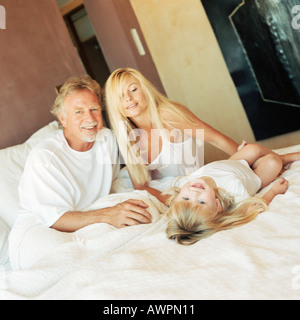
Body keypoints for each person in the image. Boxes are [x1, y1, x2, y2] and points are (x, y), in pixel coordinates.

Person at [16, 75, 152, 232]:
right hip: (41, 230)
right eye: (79, 112)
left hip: (91, 218)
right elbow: (54, 219)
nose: (90, 118)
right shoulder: (45, 157)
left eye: (94, 109)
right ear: (63, 119)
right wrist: (108, 215)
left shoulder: (106, 138)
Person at [105, 67, 240, 204]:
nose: (128, 98)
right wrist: (176, 203)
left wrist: (246, 164)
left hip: (195, 185)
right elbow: (141, 186)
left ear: (145, 89)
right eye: (120, 96)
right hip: (168, 194)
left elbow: (218, 140)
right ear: (115, 105)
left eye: (133, 90)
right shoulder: (128, 136)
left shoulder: (168, 114)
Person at [165, 143, 300, 245]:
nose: (195, 193)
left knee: (253, 148)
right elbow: (254, 207)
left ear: (176, 198)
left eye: (186, 198)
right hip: (253, 176)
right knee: (272, 161)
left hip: (233, 163)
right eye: (201, 202)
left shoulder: (185, 182)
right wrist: (274, 191)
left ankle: (268, 159)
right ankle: (284, 158)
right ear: (218, 205)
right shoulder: (234, 192)